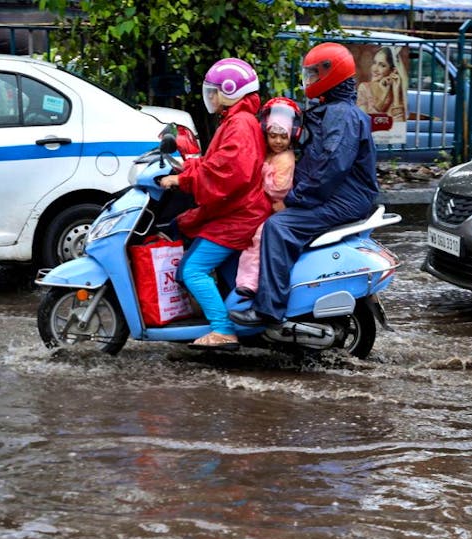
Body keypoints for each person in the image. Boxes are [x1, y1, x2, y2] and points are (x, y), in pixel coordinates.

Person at [229, 42, 380, 328]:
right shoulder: (330, 110)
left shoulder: (342, 115)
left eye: (313, 74)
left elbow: (331, 166)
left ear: (330, 75)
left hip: (342, 199)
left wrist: (295, 199)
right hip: (338, 195)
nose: (309, 80)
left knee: (278, 227)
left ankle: (268, 311)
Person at [159, 57, 270, 351]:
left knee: (191, 270)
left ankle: (222, 330)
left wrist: (183, 180)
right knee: (229, 275)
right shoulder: (236, 120)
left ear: (231, 90)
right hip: (238, 209)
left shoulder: (241, 124)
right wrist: (190, 166)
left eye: (215, 90)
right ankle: (232, 320)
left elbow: (228, 173)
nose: (211, 96)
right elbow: (218, 163)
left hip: (238, 215)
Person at [234, 97, 302, 298]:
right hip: (262, 205)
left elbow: (277, 189)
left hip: (272, 208)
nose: (278, 141)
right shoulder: (268, 153)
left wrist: (262, 172)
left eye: (283, 136)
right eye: (273, 135)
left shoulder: (285, 158)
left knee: (258, 239)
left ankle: (250, 284)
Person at [356, 46, 406, 121]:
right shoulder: (364, 88)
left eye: (382, 65)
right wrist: (384, 95)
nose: (375, 69)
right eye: (374, 63)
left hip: (391, 132)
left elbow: (399, 125)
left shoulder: (397, 91)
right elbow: (365, 120)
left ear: (393, 70)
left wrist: (396, 95)